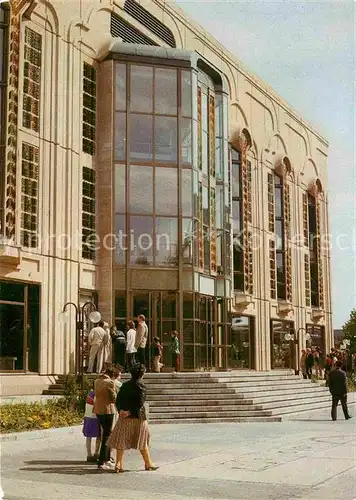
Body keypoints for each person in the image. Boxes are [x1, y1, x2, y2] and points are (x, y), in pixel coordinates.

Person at [107, 364, 158, 473]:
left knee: (121, 440)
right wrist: (130, 412)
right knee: (142, 440)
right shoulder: (142, 386)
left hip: (124, 417)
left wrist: (121, 410)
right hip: (138, 418)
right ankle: (148, 463)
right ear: (142, 374)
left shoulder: (124, 386)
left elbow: (118, 400)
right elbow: (140, 403)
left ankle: (118, 464)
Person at [93, 367, 120, 470]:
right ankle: (103, 460)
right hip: (108, 410)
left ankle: (105, 459)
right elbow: (113, 398)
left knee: (104, 434)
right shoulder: (110, 382)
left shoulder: (97, 381)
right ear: (112, 375)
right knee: (107, 435)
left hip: (98, 409)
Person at [82, 387, 101, 463]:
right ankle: (96, 453)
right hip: (95, 417)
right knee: (99, 436)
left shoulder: (90, 393)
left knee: (88, 437)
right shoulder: (97, 394)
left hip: (88, 416)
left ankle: (89, 455)